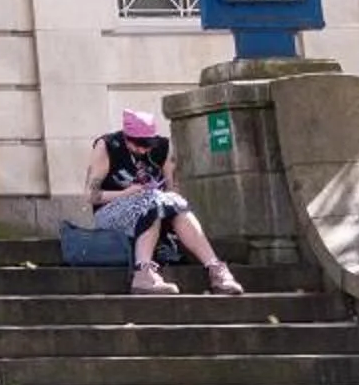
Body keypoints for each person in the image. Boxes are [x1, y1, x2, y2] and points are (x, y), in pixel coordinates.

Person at [89, 108, 245, 296]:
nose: (143, 149)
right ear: (126, 137)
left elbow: (171, 189)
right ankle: (143, 272)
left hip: (154, 207)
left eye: (147, 145)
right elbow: (91, 195)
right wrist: (127, 193)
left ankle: (216, 269)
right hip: (110, 212)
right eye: (138, 145)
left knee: (172, 202)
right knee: (154, 202)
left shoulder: (162, 148)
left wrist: (165, 199)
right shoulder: (107, 146)